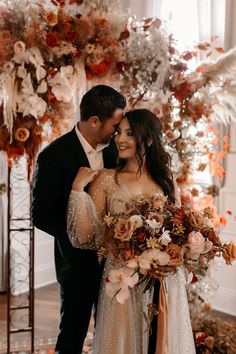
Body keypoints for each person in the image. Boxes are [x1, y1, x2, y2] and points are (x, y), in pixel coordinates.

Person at [67, 109, 196, 354]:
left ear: (147, 140)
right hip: (122, 281)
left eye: (129, 133)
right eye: (119, 132)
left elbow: (178, 234)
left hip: (162, 282)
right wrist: (77, 190)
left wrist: (173, 261)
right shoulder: (106, 179)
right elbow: (86, 236)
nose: (120, 139)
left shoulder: (166, 180)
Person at [31, 85, 126, 354]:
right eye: (115, 125)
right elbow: (41, 215)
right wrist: (79, 235)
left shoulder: (115, 152)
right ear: (94, 121)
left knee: (109, 329)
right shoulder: (52, 156)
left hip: (114, 260)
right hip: (75, 263)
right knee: (73, 331)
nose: (117, 132)